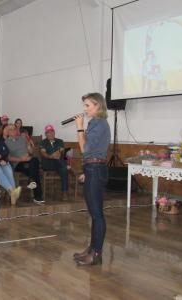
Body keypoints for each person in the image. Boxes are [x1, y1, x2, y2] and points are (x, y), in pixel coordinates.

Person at [73, 92, 110, 266]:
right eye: (85, 105)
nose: (85, 109)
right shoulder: (95, 123)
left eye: (88, 105)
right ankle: (91, 248)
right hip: (92, 168)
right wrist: (87, 171)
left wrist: (79, 127)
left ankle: (96, 253)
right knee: (94, 213)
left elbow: (85, 149)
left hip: (95, 169)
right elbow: (92, 153)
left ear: (98, 106)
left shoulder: (100, 123)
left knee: (97, 214)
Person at [6, 124, 43, 205]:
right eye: (11, 129)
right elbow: (8, 158)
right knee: (34, 170)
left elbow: (31, 152)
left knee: (35, 161)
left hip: (29, 160)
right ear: (8, 132)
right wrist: (21, 159)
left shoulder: (22, 139)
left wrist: (30, 148)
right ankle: (38, 196)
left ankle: (31, 180)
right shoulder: (6, 142)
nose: (13, 131)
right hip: (17, 163)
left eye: (14, 129)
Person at [40, 124, 69, 201]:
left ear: (54, 132)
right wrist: (51, 156)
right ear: (46, 134)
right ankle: (66, 166)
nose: (51, 133)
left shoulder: (60, 141)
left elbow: (62, 150)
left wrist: (57, 153)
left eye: (52, 132)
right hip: (47, 163)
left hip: (58, 163)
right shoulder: (43, 142)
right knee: (63, 166)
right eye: (48, 132)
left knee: (63, 168)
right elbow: (43, 153)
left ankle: (64, 193)